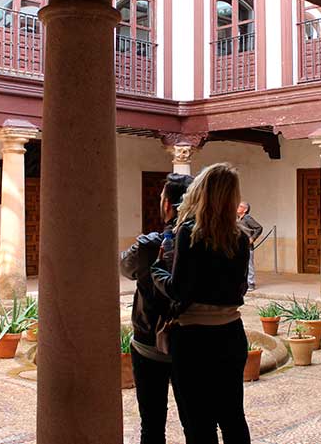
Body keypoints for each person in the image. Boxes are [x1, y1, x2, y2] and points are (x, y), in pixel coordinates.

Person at [152, 163, 251, 444]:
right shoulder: (240, 237)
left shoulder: (190, 232)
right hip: (231, 334)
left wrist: (157, 269)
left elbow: (179, 291)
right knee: (233, 418)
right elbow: (238, 289)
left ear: (202, 191)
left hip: (194, 338)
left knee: (198, 423)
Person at [120, 173, 193, 444]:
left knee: (151, 425)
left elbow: (124, 267)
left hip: (148, 340)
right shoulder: (203, 242)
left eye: (162, 197)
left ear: (167, 206)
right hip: (191, 340)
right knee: (195, 423)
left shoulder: (149, 245)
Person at [237, 201, 262, 291]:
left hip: (247, 246)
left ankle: (251, 283)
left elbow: (259, 228)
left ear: (245, 209)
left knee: (249, 265)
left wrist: (252, 238)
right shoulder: (238, 218)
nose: (237, 207)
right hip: (239, 245)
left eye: (240, 206)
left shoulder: (247, 218)